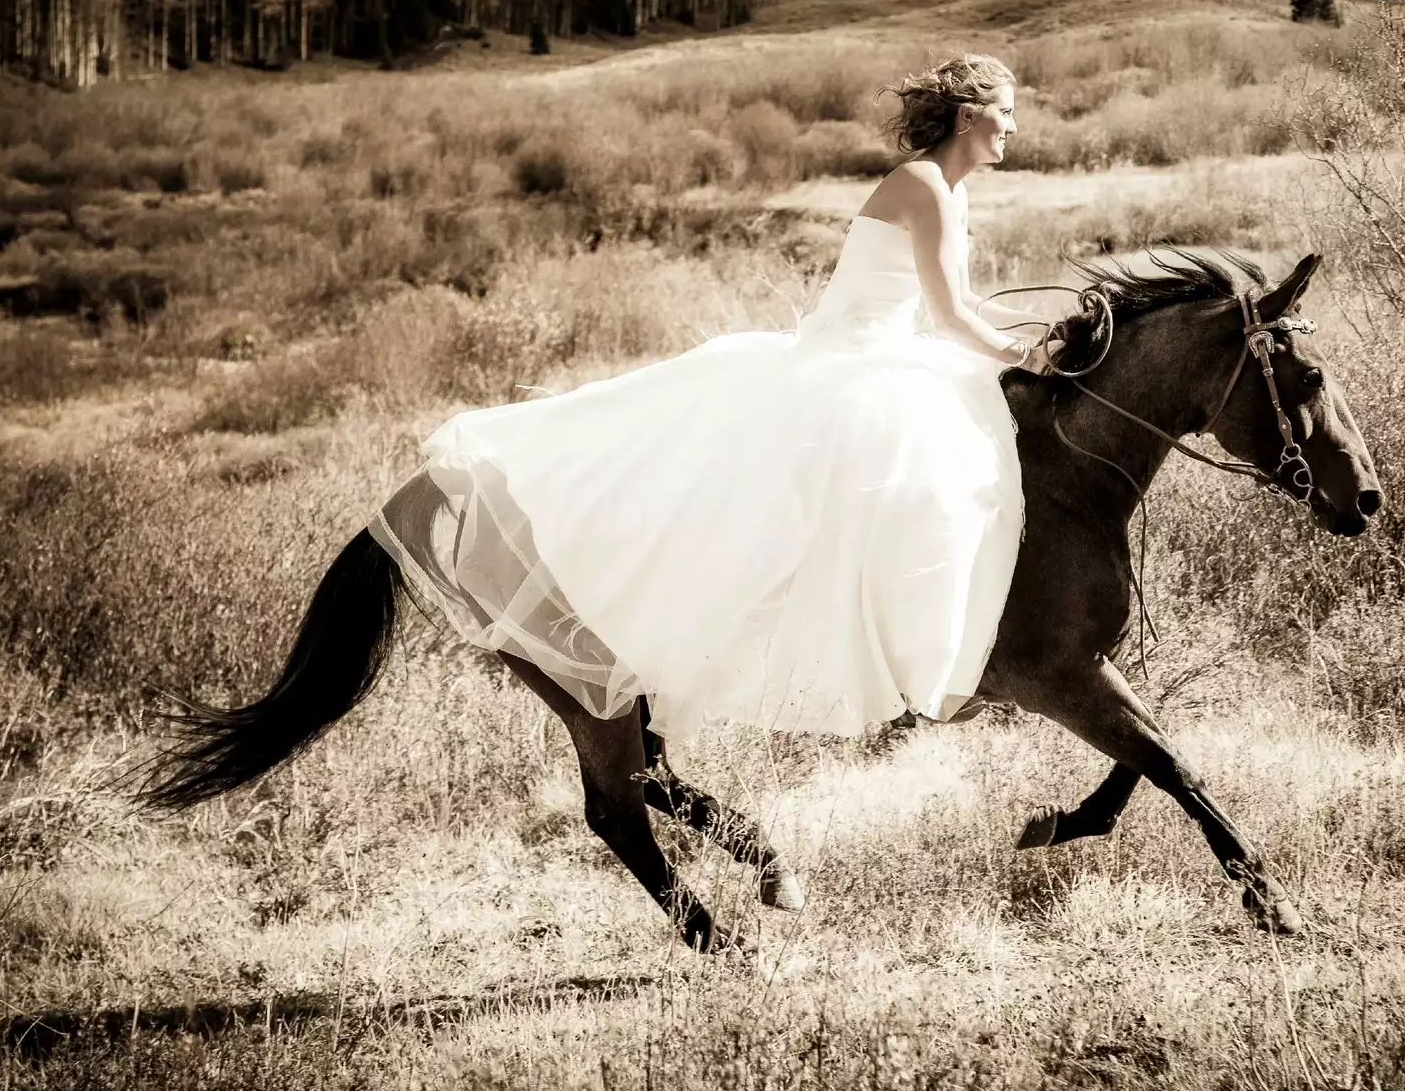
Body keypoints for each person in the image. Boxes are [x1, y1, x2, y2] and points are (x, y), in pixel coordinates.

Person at [369, 53, 1053, 739]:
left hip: (886, 353)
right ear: (969, 115)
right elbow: (947, 318)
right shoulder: (923, 185)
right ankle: (887, 666)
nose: (1014, 127)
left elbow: (964, 302)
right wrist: (1024, 354)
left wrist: (1048, 329)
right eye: (1006, 111)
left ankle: (931, 661)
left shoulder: (952, 191)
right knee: (901, 489)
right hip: (852, 360)